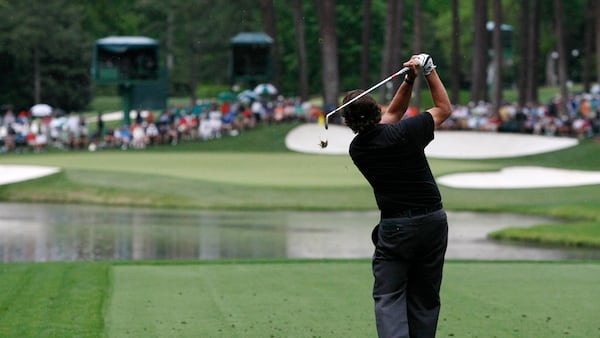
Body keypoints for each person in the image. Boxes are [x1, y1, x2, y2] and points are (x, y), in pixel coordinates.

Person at [341, 53, 451, 338]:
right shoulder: (407, 131)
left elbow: (391, 117)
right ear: (377, 110)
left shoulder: (358, 149)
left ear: (348, 122)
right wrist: (428, 70)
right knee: (424, 298)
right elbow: (443, 108)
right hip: (433, 223)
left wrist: (408, 79)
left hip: (397, 228)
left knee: (390, 296)